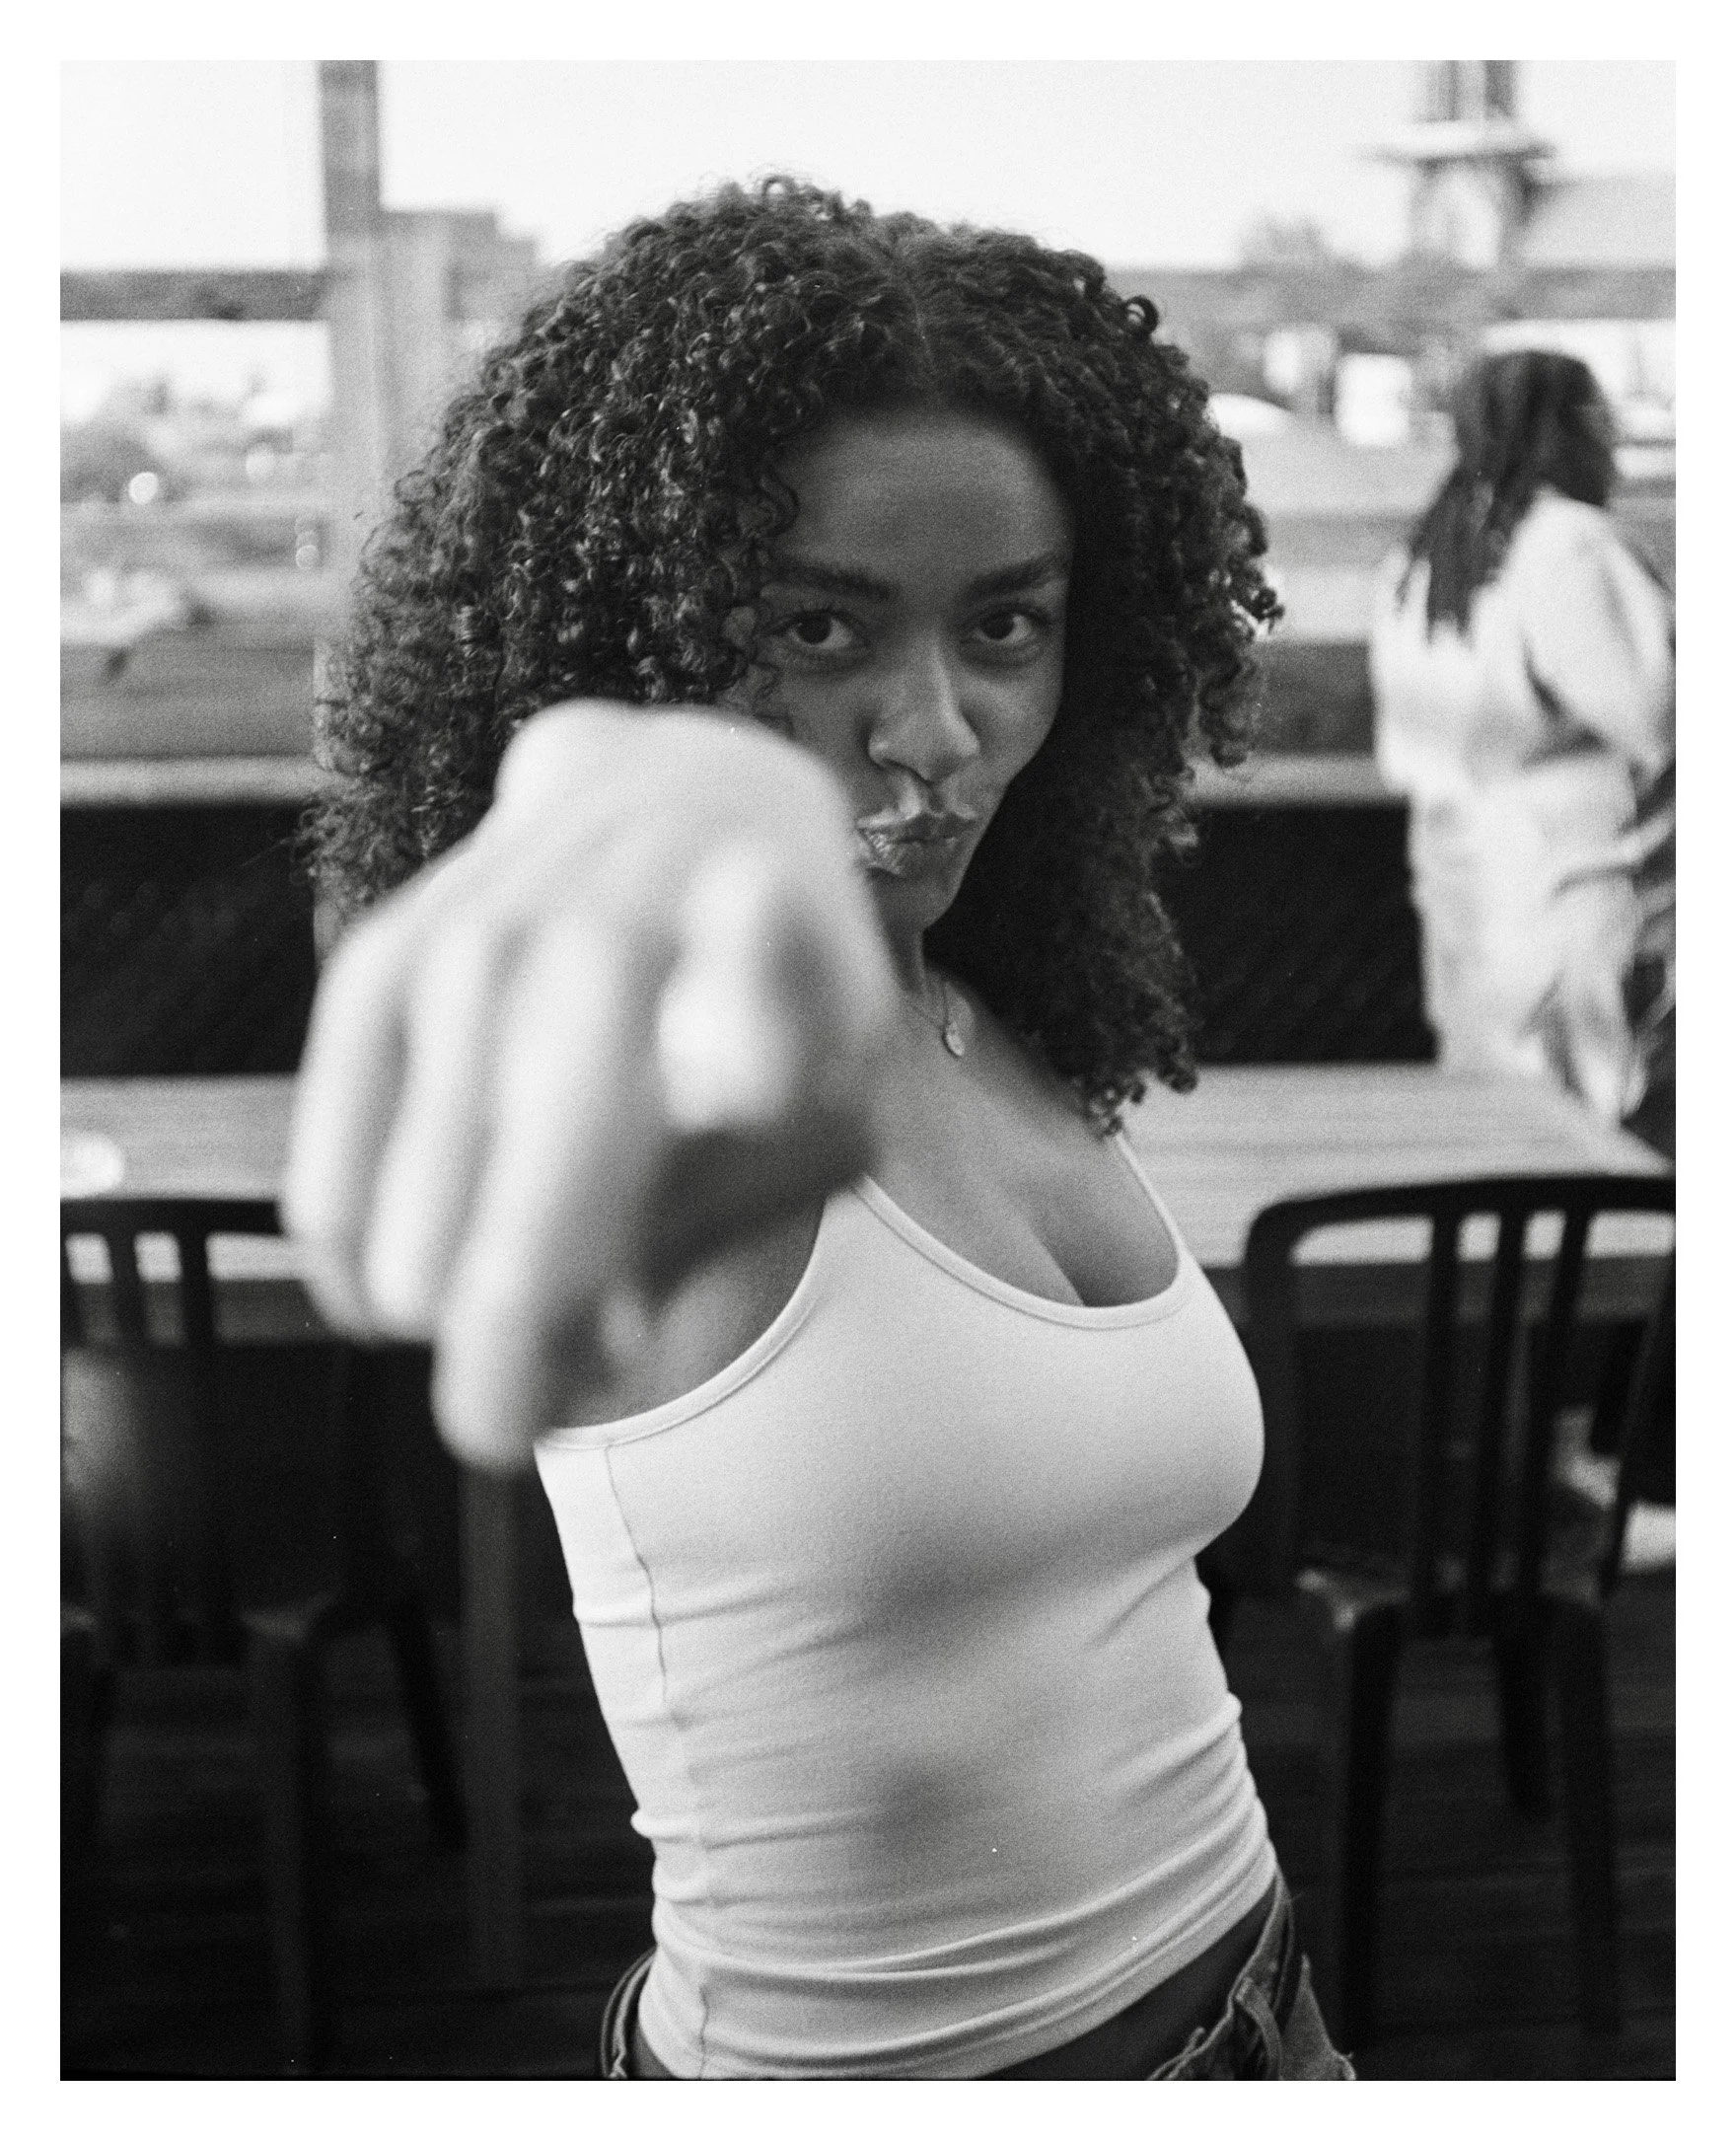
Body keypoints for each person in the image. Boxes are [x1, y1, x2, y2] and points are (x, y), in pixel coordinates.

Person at [286, 179, 1352, 2080]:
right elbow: (639, 910)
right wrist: (644, 803)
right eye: (813, 625)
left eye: (1005, 626)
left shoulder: (987, 1006)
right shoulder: (712, 1023)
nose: (933, 726)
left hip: (1272, 2021)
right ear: (638, 629)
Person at [1368, 348, 1674, 1130]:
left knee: (1503, 1131)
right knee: (1599, 1141)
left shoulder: (1427, 553)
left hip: (1467, 887)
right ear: (1566, 428)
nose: (1612, 440)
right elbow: (1656, 714)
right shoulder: (1571, 543)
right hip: (1575, 885)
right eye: (1600, 417)